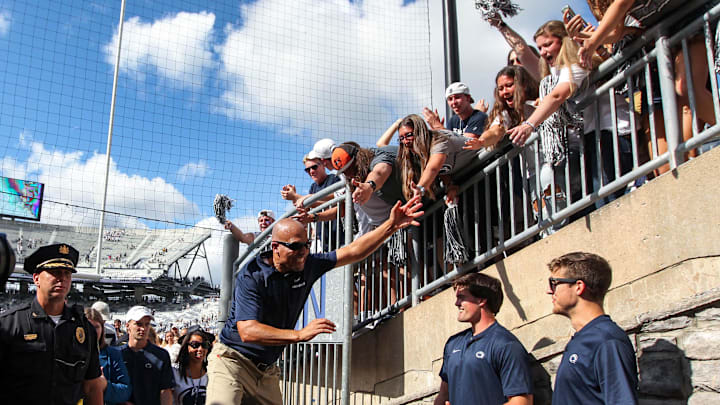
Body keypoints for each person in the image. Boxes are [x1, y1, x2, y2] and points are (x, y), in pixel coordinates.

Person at [206, 197, 424, 405]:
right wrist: (299, 335)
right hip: (232, 361)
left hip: (267, 370)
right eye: (295, 247)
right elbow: (248, 331)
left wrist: (391, 226)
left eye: (307, 245)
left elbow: (353, 251)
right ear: (275, 248)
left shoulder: (308, 264)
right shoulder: (252, 276)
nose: (303, 252)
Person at [0, 243, 105, 405]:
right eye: (54, 272)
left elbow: (92, 386)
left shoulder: (84, 329)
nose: (62, 278)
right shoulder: (10, 324)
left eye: (67, 273)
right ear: (36, 278)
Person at [547, 252, 638, 404]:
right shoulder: (582, 340)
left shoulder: (606, 340)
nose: (550, 291)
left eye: (554, 283)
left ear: (578, 287)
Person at [434, 272, 533, 405]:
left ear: (481, 300)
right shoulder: (453, 344)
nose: (456, 303)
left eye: (462, 297)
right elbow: (443, 394)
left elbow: (522, 401)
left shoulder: (506, 345)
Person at [395, 114, 480, 204]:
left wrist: (420, 188)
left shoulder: (439, 141)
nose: (405, 142)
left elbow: (433, 168)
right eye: (401, 138)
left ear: (420, 132)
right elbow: (441, 169)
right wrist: (450, 185)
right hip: (471, 176)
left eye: (409, 135)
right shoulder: (421, 153)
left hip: (484, 165)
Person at [122, 305, 175, 405]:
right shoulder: (118, 354)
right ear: (127, 325)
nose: (143, 328)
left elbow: (166, 390)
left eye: (147, 324)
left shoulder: (161, 355)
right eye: (138, 324)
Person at [86, 307, 133, 405]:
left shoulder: (112, 354)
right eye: (88, 326)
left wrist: (105, 386)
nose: (92, 331)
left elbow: (126, 390)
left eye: (96, 327)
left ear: (102, 329)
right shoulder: (70, 355)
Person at [419, 82, 488, 140]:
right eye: (450, 99)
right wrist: (437, 131)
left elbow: (467, 145)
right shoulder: (454, 120)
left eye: (457, 97)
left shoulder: (479, 117)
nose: (453, 102)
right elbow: (449, 144)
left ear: (468, 98)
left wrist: (438, 126)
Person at [174, 326, 214, 405]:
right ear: (186, 347)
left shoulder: (212, 374)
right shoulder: (174, 373)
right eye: (195, 345)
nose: (200, 349)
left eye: (205, 345)